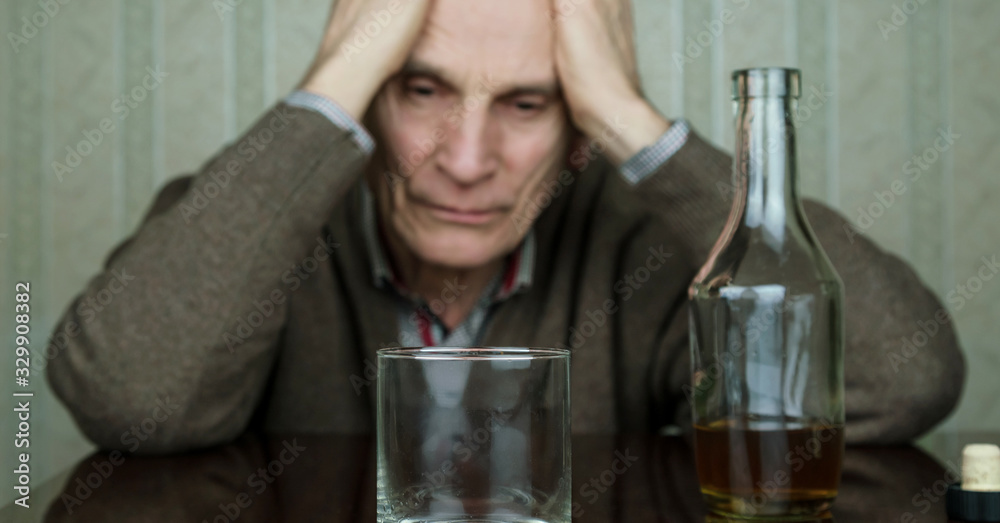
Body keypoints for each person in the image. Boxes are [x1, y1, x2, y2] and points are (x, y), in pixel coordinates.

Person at [46, 0, 964, 453]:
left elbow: (903, 378)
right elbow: (129, 396)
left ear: (581, 133)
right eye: (420, 89)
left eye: (528, 103)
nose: (468, 158)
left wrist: (637, 123)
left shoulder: (656, 248)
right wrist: (335, 77)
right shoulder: (242, 225)